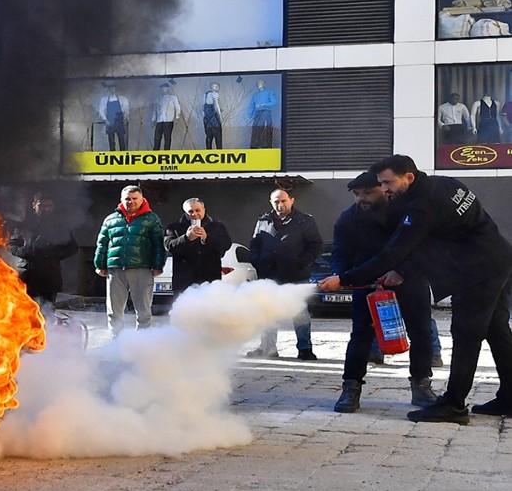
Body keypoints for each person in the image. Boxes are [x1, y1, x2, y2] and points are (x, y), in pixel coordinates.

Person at [319, 154, 512, 424]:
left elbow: (393, 253)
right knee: (497, 329)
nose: (385, 189)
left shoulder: (421, 206)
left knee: (466, 333)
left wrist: (345, 280)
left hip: (477, 270)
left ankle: (454, 404)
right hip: (497, 258)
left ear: (408, 177)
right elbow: (433, 241)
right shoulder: (443, 183)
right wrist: (401, 271)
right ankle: (509, 397)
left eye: (387, 183)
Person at [330, 171, 437, 413]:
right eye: (357, 194)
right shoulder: (348, 219)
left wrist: (402, 271)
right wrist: (340, 276)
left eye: (368, 192)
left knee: (421, 333)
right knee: (360, 336)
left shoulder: (407, 211)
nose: (361, 199)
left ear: (384, 189)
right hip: (367, 285)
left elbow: (426, 247)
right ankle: (351, 387)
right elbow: (340, 252)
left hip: (409, 279)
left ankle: (421, 386)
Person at [247, 188, 323, 360]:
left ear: (292, 200)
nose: (280, 204)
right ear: (271, 202)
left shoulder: (305, 221)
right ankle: (268, 348)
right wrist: (257, 261)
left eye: (283, 201)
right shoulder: (263, 220)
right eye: (276, 201)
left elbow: (316, 246)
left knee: (300, 313)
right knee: (267, 313)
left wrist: (302, 262)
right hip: (269, 275)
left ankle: (305, 349)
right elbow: (255, 244)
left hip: (296, 275)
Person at [94, 185, 166, 337]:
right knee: (114, 310)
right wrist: (99, 264)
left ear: (142, 199)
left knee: (143, 310)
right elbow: (102, 243)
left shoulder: (151, 219)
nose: (131, 202)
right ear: (121, 200)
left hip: (142, 268)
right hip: (115, 269)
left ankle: (142, 342)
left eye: (135, 199)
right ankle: (116, 342)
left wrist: (158, 265)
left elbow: (159, 244)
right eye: (127, 199)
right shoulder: (110, 219)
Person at [8, 191, 79, 305]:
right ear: (34, 205)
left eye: (49, 206)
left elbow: (72, 247)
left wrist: (56, 254)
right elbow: (12, 244)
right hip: (28, 274)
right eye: (41, 205)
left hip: (50, 275)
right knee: (27, 310)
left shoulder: (60, 226)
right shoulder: (25, 225)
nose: (45, 209)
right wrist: (26, 251)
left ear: (53, 206)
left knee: (48, 311)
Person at [164, 197, 232, 297]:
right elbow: (169, 246)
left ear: (204, 210)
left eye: (198, 210)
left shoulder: (217, 226)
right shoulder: (174, 227)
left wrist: (206, 238)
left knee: (210, 309)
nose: (194, 214)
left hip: (209, 278)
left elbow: (226, 244)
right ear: (185, 213)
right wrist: (186, 238)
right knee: (185, 310)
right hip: (184, 280)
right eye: (190, 211)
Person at [246, 79, 278, 149]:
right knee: (256, 130)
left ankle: (266, 147)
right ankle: (255, 147)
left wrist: (263, 105)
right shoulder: (255, 95)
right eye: (258, 83)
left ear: (264, 84)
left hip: (266, 113)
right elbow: (252, 106)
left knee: (266, 130)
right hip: (257, 114)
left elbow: (274, 102)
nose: (259, 84)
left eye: (260, 82)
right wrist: (249, 116)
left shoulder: (269, 92)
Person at [98, 84, 129, 151]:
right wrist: (105, 120)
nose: (112, 89)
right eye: (111, 88)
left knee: (122, 140)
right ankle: (112, 155)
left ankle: (122, 155)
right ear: (109, 89)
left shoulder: (122, 99)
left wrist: (125, 117)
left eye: (113, 88)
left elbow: (126, 109)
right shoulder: (104, 100)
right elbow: (101, 110)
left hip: (119, 121)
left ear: (115, 89)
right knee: (111, 142)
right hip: (110, 122)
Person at [152, 82, 181, 150]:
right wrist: (153, 119)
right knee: (157, 138)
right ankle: (155, 152)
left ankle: (166, 152)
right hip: (159, 121)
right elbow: (155, 110)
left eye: (165, 88)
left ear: (168, 89)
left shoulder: (173, 98)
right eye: (162, 88)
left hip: (168, 121)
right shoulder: (158, 99)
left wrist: (177, 117)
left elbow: (177, 108)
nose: (163, 89)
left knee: (167, 137)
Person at [203, 82, 223, 149]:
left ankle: (208, 152)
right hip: (214, 120)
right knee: (218, 137)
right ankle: (220, 153)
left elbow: (203, 108)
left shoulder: (205, 95)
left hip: (207, 120)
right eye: (216, 86)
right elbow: (216, 106)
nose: (217, 88)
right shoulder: (215, 94)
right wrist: (220, 117)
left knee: (209, 137)